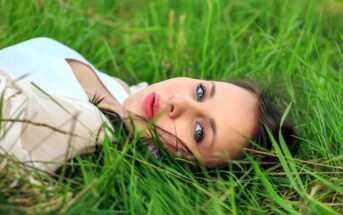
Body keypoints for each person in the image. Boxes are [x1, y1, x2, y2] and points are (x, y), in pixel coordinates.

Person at [0, 37, 297, 174]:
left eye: (198, 132)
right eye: (201, 91)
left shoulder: (81, 130)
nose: (179, 102)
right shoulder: (124, 96)